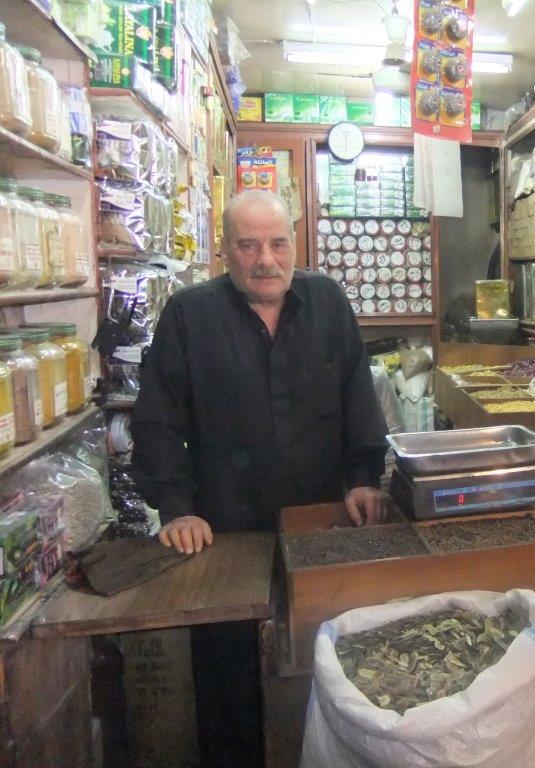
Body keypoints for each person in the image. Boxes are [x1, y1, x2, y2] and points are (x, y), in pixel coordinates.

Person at [130, 190, 390, 767]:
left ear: (295, 243)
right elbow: (157, 421)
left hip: (321, 525)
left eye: (277, 243)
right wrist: (177, 508)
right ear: (225, 251)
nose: (265, 258)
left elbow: (357, 395)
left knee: (325, 663)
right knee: (228, 681)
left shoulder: (327, 301)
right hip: (224, 533)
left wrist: (363, 478)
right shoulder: (189, 315)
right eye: (248, 245)